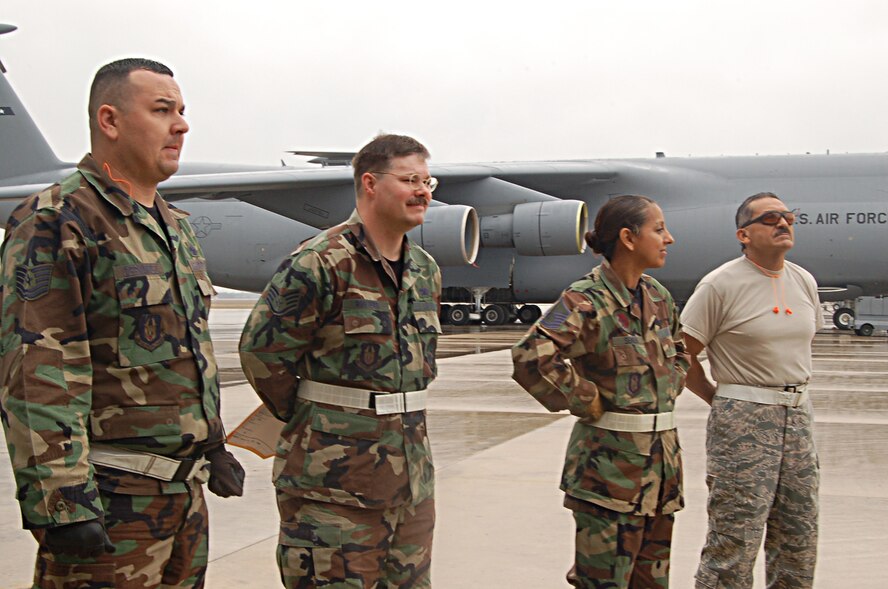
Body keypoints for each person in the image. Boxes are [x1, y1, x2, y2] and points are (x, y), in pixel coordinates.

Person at [0, 58, 244, 588]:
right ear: (109, 121)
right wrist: (62, 502)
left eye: (182, 111)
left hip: (182, 500)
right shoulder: (58, 221)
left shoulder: (174, 227)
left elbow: (186, 354)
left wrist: (212, 442)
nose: (181, 125)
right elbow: (38, 371)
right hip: (110, 503)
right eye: (162, 110)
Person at [239, 134, 441, 588]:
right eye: (410, 180)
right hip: (333, 490)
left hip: (410, 486)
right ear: (370, 183)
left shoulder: (424, 270)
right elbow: (260, 353)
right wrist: (316, 419)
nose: (423, 192)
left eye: (428, 182)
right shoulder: (320, 263)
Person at [512, 195, 689, 588]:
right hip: (608, 476)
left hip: (661, 473)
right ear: (628, 238)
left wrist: (671, 384)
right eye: (659, 229)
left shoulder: (658, 296)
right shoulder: (582, 300)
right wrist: (583, 397)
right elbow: (530, 356)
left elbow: (680, 350)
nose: (669, 239)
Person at [681, 192, 822, 589]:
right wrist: (717, 398)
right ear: (743, 234)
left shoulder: (803, 280)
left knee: (799, 536)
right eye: (770, 219)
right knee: (735, 537)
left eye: (788, 217)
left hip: (798, 416)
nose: (783, 224)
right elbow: (682, 353)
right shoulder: (720, 284)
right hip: (744, 419)